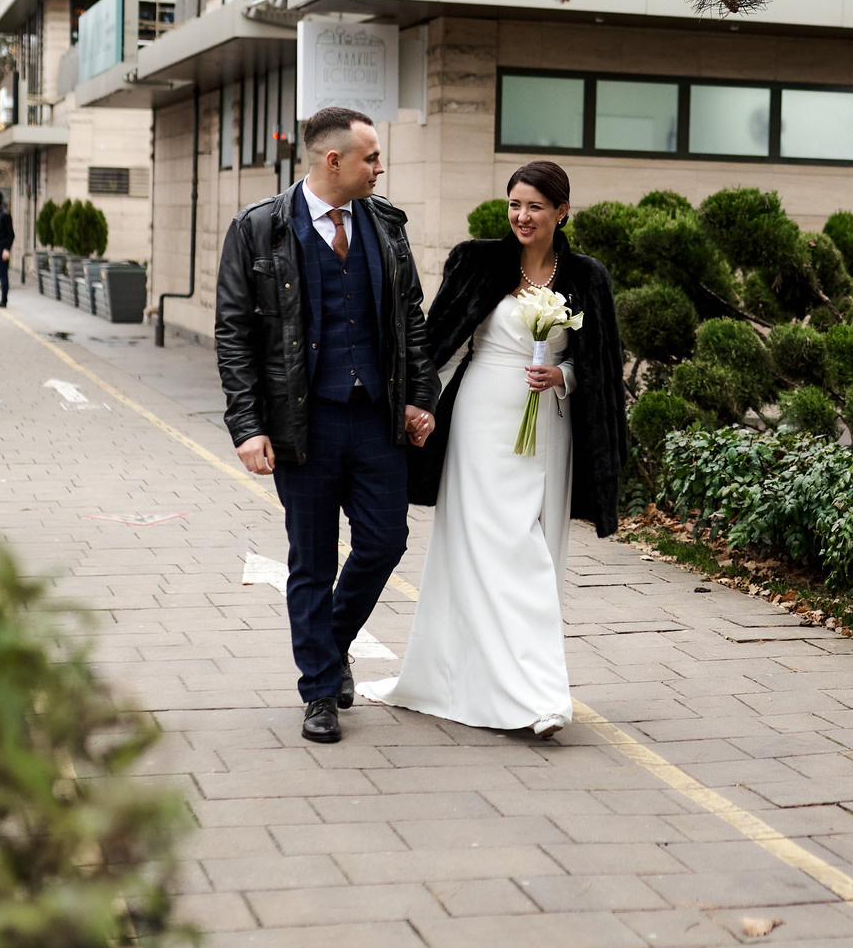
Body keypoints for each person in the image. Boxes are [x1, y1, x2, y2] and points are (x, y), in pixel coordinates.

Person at [215, 107, 437, 745]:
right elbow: (233, 333)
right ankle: (318, 691)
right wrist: (247, 425)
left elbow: (410, 318)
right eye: (371, 157)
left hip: (375, 417)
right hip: (300, 425)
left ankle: (329, 644)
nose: (380, 166)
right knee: (310, 560)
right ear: (332, 161)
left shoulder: (386, 225)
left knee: (384, 542)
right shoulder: (260, 228)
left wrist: (420, 396)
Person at [386, 161, 629, 738]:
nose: (521, 216)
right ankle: (513, 691)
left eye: (535, 207)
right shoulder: (475, 260)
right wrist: (418, 406)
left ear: (561, 212)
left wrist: (563, 376)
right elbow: (437, 338)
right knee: (480, 551)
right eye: (514, 204)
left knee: (533, 551)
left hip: (548, 428)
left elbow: (601, 363)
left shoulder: (588, 277)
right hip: (478, 419)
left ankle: (533, 689)